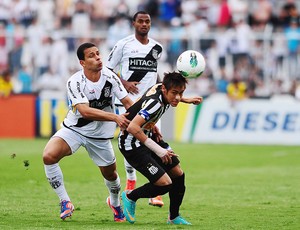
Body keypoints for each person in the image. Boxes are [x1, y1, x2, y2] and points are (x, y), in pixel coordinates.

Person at [42, 42, 133, 222]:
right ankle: (65, 201)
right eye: (91, 55)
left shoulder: (111, 77)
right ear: (82, 63)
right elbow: (84, 111)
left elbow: (128, 102)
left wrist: (147, 122)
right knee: (48, 156)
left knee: (111, 175)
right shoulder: (74, 81)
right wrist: (115, 117)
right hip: (74, 129)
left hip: (100, 137)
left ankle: (115, 204)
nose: (98, 58)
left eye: (98, 54)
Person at [119, 71, 202, 225]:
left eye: (181, 93)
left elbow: (172, 96)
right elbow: (132, 127)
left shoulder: (160, 88)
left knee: (178, 173)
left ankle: (174, 217)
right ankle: (130, 196)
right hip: (132, 144)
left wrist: (187, 100)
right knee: (164, 184)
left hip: (148, 136)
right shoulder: (155, 104)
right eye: (175, 93)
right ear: (164, 89)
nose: (177, 97)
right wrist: (159, 150)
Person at [106, 11, 165, 207]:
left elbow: (154, 74)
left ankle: (156, 190)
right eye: (140, 21)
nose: (144, 24)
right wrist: (124, 83)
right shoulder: (123, 44)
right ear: (134, 23)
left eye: (147, 21)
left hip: (152, 104)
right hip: (128, 102)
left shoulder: (157, 47)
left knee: (156, 142)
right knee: (131, 143)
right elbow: (108, 70)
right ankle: (131, 180)